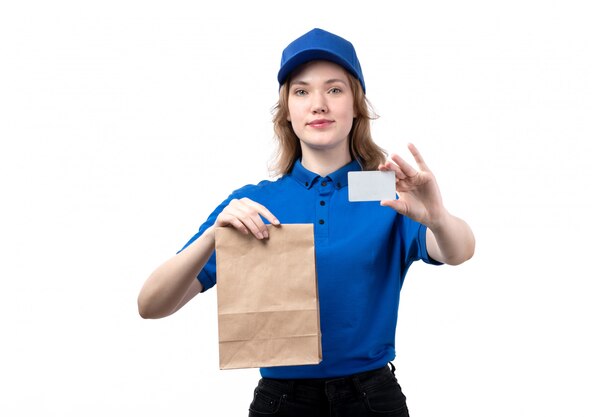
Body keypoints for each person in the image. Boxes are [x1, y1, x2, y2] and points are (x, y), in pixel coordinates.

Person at [138, 27, 475, 417]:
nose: (318, 104)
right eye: (301, 91)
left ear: (356, 105)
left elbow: (459, 251)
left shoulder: (388, 191)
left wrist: (437, 218)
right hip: (282, 400)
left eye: (334, 90)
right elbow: (151, 305)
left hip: (371, 398)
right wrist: (211, 238)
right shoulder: (253, 203)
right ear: (287, 112)